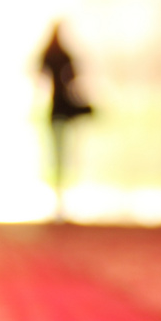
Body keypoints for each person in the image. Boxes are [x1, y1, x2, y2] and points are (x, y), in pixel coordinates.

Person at [38, 22, 92, 222]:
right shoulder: (63, 56)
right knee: (62, 153)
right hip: (62, 110)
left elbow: (40, 76)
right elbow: (73, 79)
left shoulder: (49, 55)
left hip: (55, 110)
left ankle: (60, 197)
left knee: (58, 152)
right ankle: (60, 198)